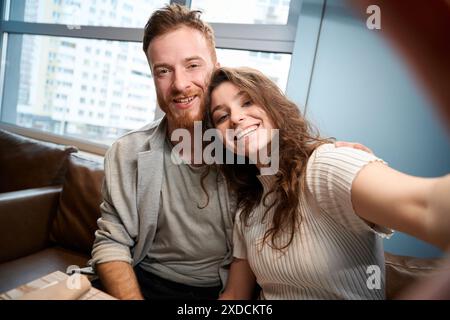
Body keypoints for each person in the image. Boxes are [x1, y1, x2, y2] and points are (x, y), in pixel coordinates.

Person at [89, 4, 372, 300]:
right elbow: (111, 242)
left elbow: (290, 158)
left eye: (193, 65)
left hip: (216, 291)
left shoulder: (245, 148)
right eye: (163, 71)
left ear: (215, 67)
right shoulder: (127, 152)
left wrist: (327, 154)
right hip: (140, 280)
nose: (180, 83)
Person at [206, 66, 450, 300]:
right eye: (222, 116)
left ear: (273, 106)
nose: (236, 118)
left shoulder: (327, 165)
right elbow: (235, 295)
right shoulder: (247, 212)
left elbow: (428, 206)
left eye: (247, 101)